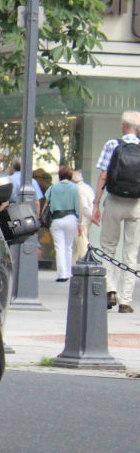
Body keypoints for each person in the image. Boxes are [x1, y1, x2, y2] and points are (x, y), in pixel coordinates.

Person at [91, 110, 140, 313]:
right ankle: (126, 301)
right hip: (136, 204)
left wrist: (96, 203)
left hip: (114, 201)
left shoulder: (112, 145)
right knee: (131, 252)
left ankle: (110, 290)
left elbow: (103, 175)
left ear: (122, 126)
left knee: (108, 246)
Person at [44, 167, 82, 282]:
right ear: (70, 177)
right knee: (68, 246)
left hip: (56, 219)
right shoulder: (75, 188)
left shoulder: (53, 188)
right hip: (71, 218)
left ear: (59, 176)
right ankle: (68, 272)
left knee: (59, 247)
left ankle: (61, 274)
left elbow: (46, 202)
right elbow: (78, 206)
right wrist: (80, 222)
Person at [72, 170, 95, 263]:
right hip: (87, 220)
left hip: (81, 220)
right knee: (77, 247)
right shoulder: (88, 187)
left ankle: (85, 264)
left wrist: (88, 217)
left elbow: (83, 207)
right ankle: (73, 267)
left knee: (82, 245)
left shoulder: (78, 189)